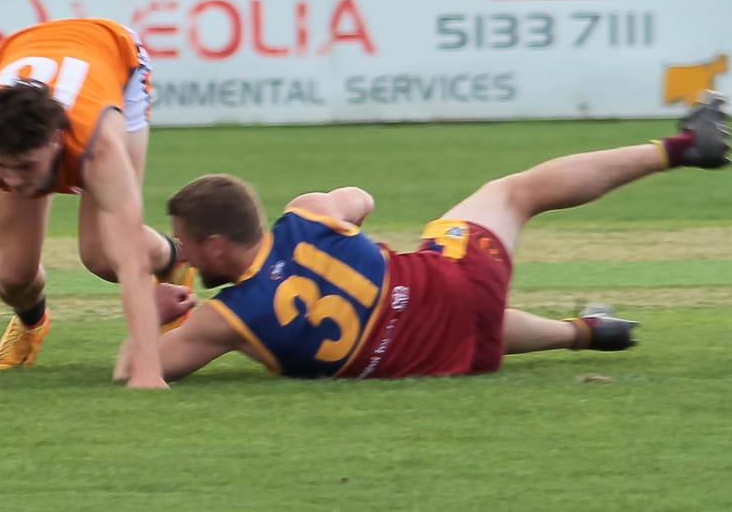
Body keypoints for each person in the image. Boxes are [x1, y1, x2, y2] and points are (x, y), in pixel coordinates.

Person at [151, 95, 727, 382]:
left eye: (187, 244)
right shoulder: (308, 214)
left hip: (441, 355)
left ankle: (585, 333)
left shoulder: (225, 320)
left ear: (219, 245)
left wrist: (150, 313)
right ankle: (678, 149)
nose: (185, 254)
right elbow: (361, 197)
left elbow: (140, 369)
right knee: (511, 194)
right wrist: (335, 218)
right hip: (455, 289)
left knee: (455, 296)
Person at [0, 18, 197, 389]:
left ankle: (175, 259)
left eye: (25, 166)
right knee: (13, 277)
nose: (11, 181)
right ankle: (32, 323)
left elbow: (130, 262)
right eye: (2, 167)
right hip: (24, 43)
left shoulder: (99, 148)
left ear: (57, 139)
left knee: (104, 254)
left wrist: (147, 372)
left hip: (115, 56)